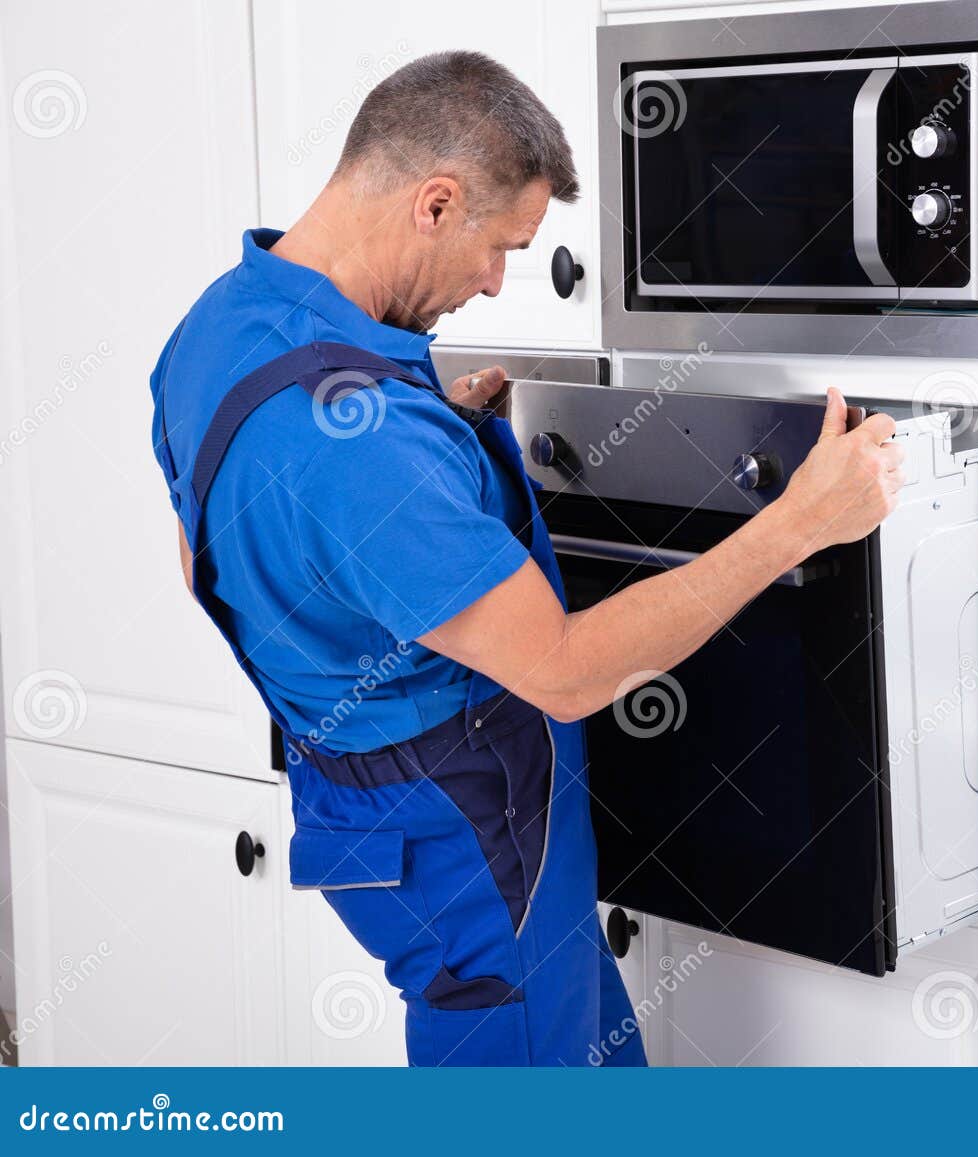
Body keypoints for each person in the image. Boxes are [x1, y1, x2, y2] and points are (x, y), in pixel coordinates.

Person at [148, 50, 902, 1066]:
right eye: (501, 245)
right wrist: (799, 524)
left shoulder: (225, 323)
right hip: (475, 837)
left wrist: (431, 459)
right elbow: (567, 670)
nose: (498, 280)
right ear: (435, 202)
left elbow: (220, 547)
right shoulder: (360, 450)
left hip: (368, 810)